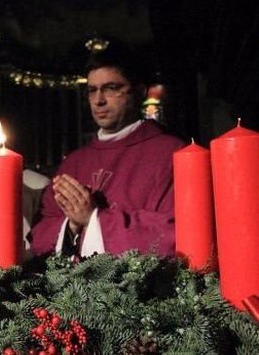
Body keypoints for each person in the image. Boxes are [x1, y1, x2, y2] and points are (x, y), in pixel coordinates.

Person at [30, 47, 186, 259]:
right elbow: (41, 231)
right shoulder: (74, 163)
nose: (98, 100)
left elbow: (177, 233)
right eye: (92, 90)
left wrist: (94, 218)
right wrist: (72, 224)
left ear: (139, 92)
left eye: (111, 88)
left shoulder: (174, 155)